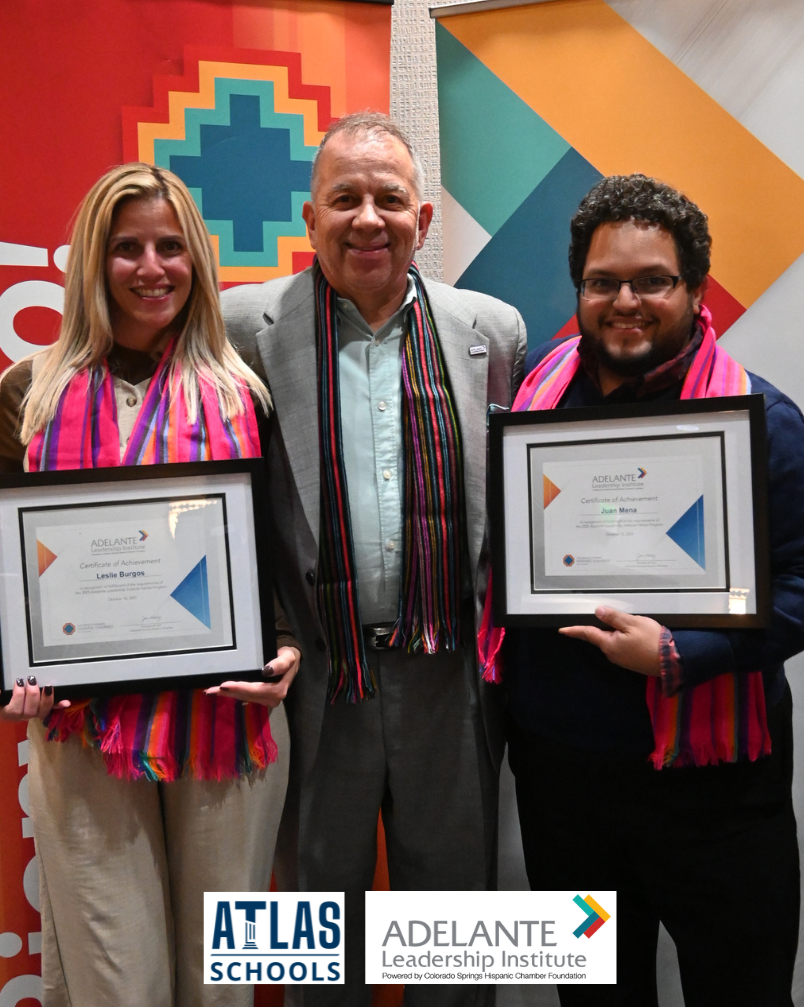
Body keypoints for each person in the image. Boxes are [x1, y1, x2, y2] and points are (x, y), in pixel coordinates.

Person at [222, 111, 526, 1005]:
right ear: (308, 219)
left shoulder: (492, 331)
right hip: (309, 678)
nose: (367, 218)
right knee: (309, 940)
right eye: (343, 198)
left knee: (460, 935)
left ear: (422, 221)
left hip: (452, 678)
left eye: (389, 199)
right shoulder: (242, 326)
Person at [493, 174, 804, 1007]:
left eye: (652, 280)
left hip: (718, 791)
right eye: (603, 281)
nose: (625, 300)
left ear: (695, 287)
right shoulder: (532, 407)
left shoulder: (762, 419)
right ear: (580, 289)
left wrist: (684, 652)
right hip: (565, 786)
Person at [0, 163, 301, 1007]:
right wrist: (8, 671)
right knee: (115, 982)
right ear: (91, 262)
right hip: (80, 727)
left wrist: (284, 646)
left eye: (171, 247)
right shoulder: (27, 394)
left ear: (198, 260)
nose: (151, 267)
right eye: (126, 247)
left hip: (228, 719)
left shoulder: (248, 393)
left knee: (224, 985)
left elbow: (280, 551)